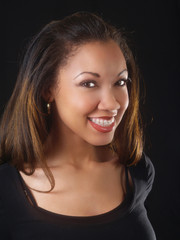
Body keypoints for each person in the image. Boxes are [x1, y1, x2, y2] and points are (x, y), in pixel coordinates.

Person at [0, 11, 156, 239]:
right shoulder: (5, 190)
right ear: (47, 89)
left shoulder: (137, 171)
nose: (112, 103)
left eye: (120, 82)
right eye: (89, 83)